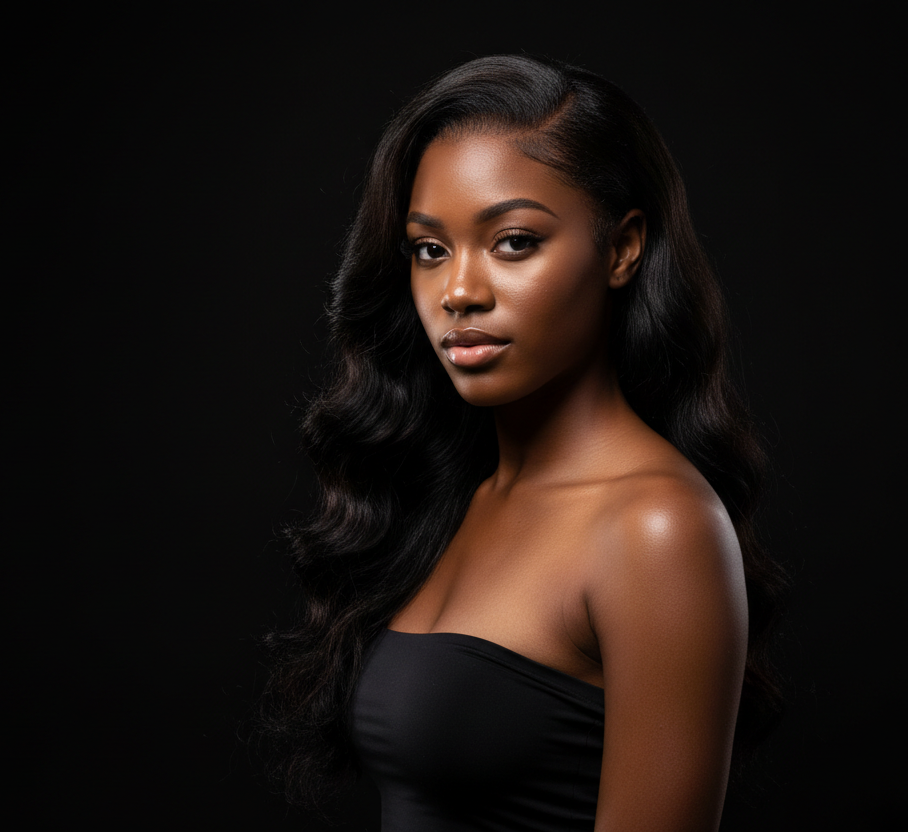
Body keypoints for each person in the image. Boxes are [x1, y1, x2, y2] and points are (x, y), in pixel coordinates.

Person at [257, 55, 784, 831]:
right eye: (429, 249)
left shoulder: (655, 528)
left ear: (622, 248)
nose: (459, 292)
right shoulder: (460, 496)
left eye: (512, 242)